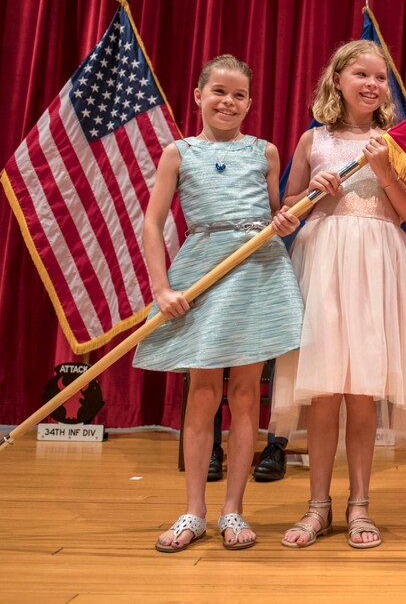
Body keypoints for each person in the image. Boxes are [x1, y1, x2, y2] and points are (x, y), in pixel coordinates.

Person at [271, 40, 406, 549]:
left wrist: (387, 171)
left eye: (380, 77)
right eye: (361, 75)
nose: (372, 84)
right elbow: (289, 207)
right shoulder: (313, 141)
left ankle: (360, 505)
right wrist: (309, 197)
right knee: (324, 391)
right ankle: (317, 506)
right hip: (323, 262)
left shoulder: (395, 141)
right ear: (338, 80)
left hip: (376, 265)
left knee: (363, 391)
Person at [134, 55, 304, 552]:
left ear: (250, 103)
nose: (228, 102)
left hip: (257, 270)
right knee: (203, 392)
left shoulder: (265, 152)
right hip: (202, 271)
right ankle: (193, 512)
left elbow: (275, 212)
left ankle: (234, 511)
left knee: (248, 391)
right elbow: (151, 223)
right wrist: (162, 288)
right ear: (198, 96)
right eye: (219, 92)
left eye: (238, 95)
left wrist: (284, 221)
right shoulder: (178, 153)